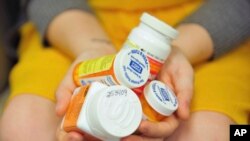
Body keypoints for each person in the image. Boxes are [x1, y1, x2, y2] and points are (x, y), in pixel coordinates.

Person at [0, 0, 249, 141]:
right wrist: (93, 48)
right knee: (21, 126)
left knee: (214, 133)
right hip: (74, 23)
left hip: (204, 32)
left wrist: (171, 51)